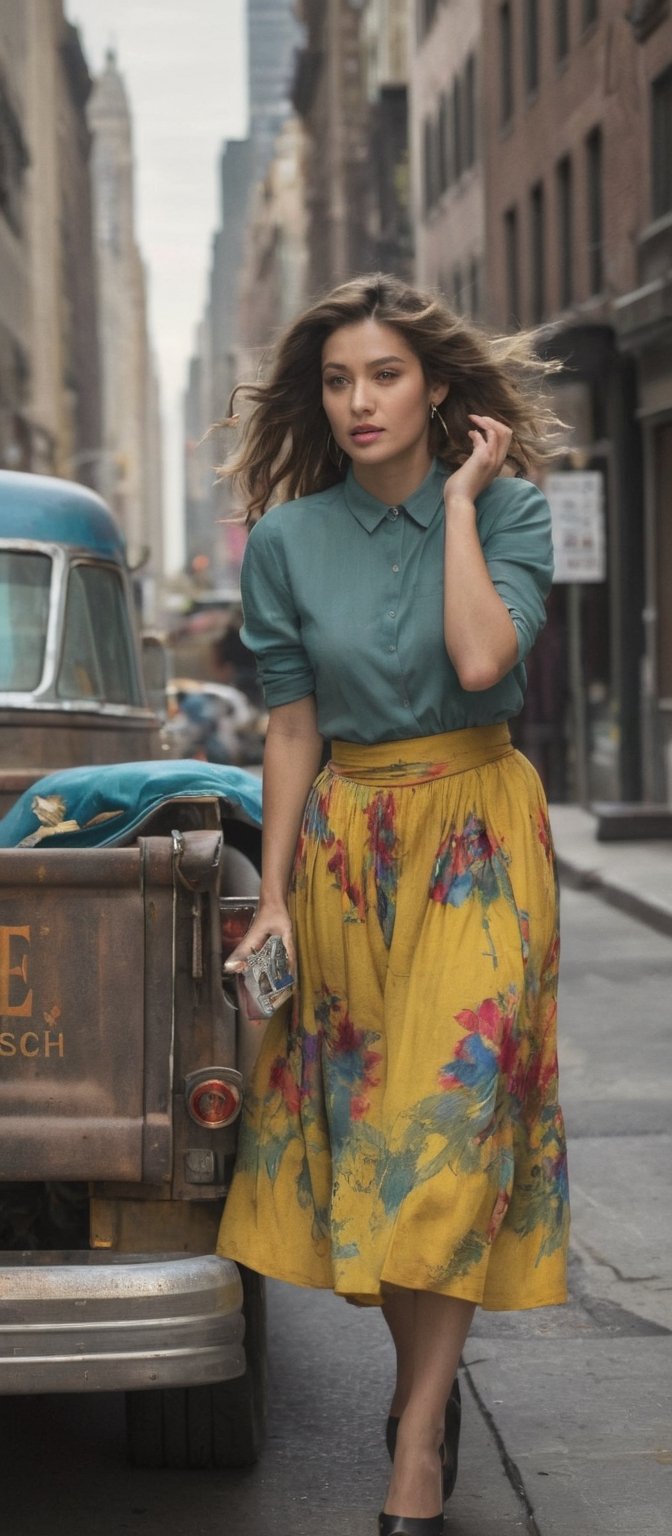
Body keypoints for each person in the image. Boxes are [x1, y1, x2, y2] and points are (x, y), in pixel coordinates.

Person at [216, 273, 569, 1536]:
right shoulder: (287, 543)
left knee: (450, 1126)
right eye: (337, 380)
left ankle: (415, 1438)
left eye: (385, 375)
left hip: (480, 831)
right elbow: (295, 727)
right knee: (384, 1139)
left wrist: (463, 505)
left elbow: (483, 661)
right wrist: (274, 899)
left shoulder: (512, 510)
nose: (359, 401)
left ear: (435, 390)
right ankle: (423, 1388)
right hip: (352, 856)